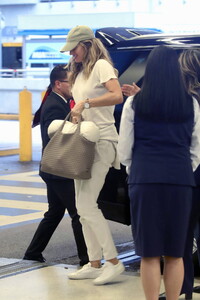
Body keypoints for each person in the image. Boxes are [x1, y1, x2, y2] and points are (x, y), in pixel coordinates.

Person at [117, 45, 200, 300]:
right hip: (180, 181)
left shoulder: (134, 103)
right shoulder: (191, 103)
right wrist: (181, 170)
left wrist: (138, 170)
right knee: (176, 252)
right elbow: (196, 150)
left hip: (145, 179)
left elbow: (124, 150)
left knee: (150, 253)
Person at [60, 25, 125, 285]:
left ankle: (113, 262)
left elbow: (117, 95)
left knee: (87, 205)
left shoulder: (101, 66)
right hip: (84, 140)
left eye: (74, 48)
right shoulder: (78, 71)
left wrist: (86, 104)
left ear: (86, 44)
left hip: (102, 141)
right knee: (81, 206)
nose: (71, 54)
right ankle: (94, 262)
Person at [23, 65, 89, 266]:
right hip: (58, 169)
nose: (74, 85)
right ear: (58, 84)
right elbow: (58, 136)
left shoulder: (60, 101)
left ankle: (33, 253)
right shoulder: (53, 105)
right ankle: (87, 260)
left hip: (53, 168)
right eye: (71, 81)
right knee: (78, 213)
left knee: (54, 212)